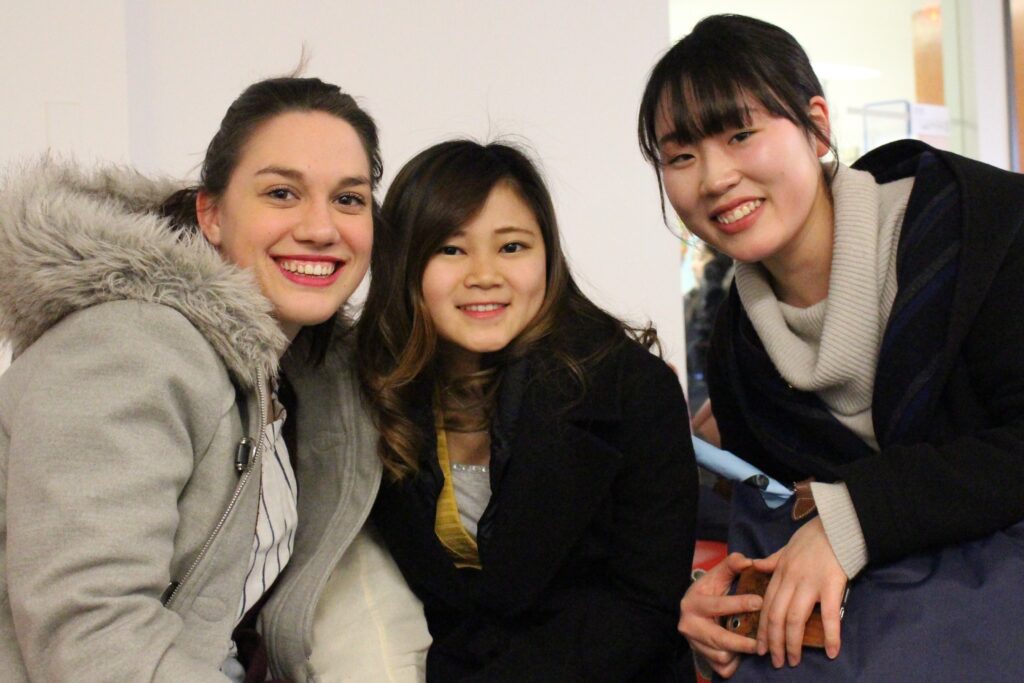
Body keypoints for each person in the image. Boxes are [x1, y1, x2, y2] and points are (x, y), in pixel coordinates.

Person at [637, 13, 1024, 679]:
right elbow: (789, 531)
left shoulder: (979, 233)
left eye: (740, 133)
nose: (715, 177)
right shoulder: (739, 355)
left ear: (817, 125)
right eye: (681, 156)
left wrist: (855, 517)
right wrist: (724, 607)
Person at [0, 76, 384, 682]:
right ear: (211, 214)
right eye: (282, 193)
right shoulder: (129, 346)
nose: (321, 227)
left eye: (349, 199)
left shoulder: (281, 374)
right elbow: (91, 635)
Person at [358, 139, 699, 681]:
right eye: (451, 249)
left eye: (512, 247)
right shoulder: (369, 391)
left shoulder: (634, 390)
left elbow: (645, 607)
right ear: (404, 263)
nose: (485, 274)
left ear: (548, 256)